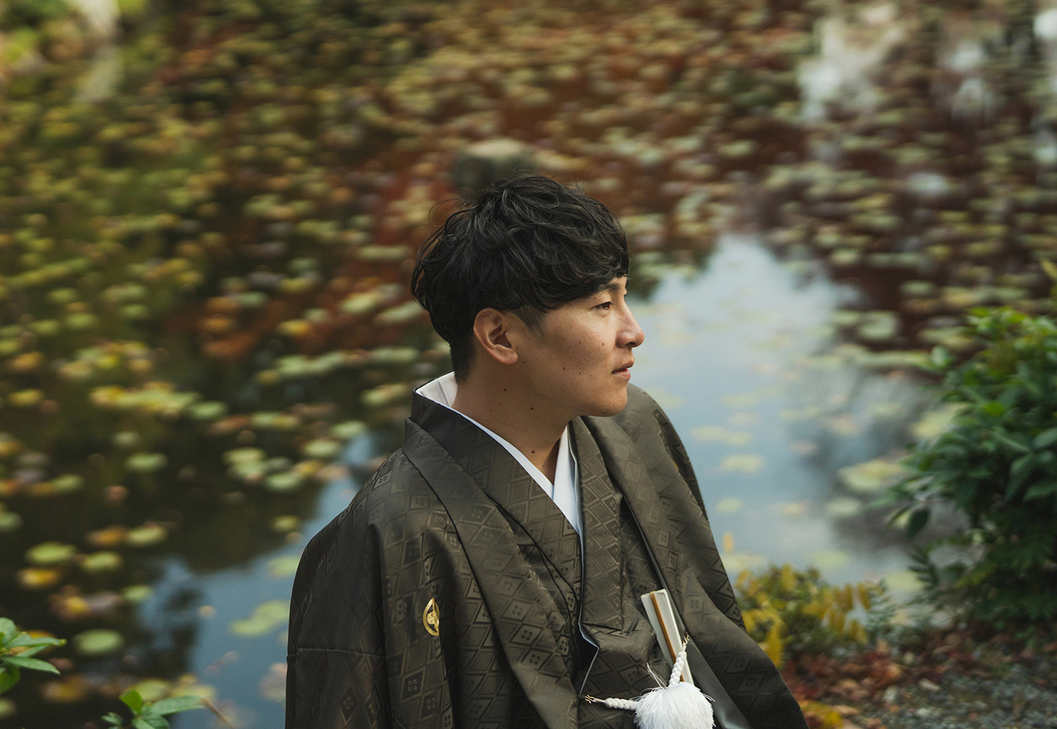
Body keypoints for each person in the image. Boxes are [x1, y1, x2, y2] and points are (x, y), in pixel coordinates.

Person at [285, 175, 808, 729]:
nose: (633, 332)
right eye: (602, 306)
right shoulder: (390, 532)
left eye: (624, 297)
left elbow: (709, 616)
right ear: (501, 336)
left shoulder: (634, 428)